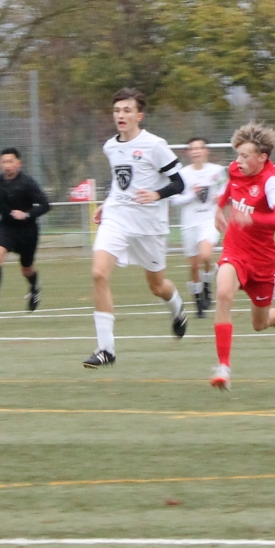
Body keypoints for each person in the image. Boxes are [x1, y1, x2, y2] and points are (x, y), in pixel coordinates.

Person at [83, 88, 190, 369]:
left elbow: (179, 183)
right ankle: (106, 349)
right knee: (98, 273)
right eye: (117, 110)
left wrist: (156, 195)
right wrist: (107, 202)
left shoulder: (155, 145)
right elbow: (121, 182)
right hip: (117, 219)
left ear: (139, 116)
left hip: (149, 227)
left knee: (157, 286)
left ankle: (177, 307)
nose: (121, 115)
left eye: (127, 110)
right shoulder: (110, 146)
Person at [209, 122, 275, 390]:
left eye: (245, 156)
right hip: (234, 251)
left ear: (262, 157)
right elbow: (230, 186)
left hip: (262, 261)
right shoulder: (235, 169)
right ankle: (223, 368)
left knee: (260, 323)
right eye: (237, 154)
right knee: (223, 293)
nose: (238, 161)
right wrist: (219, 208)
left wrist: (253, 218)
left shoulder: (272, 181)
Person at [0, 147, 50, 315]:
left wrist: (26, 214)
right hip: (6, 227)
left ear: (18, 163)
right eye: (4, 162)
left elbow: (45, 205)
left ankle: (34, 288)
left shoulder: (28, 182)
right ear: (0, 163)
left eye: (10, 161)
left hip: (27, 231)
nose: (7, 165)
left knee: (26, 269)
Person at [173, 138, 227, 315]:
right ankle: (198, 300)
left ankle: (207, 286)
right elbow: (174, 200)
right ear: (188, 153)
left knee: (206, 255)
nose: (196, 151)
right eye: (193, 149)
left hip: (208, 220)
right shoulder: (182, 174)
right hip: (189, 223)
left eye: (200, 148)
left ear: (206, 151)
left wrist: (220, 196)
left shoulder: (216, 170)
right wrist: (191, 194)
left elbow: (225, 187)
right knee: (193, 266)